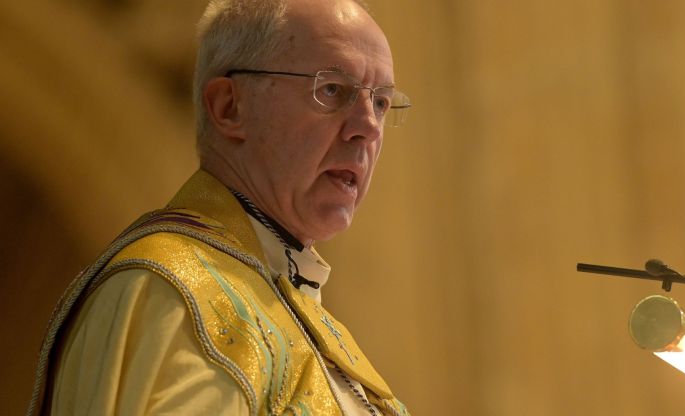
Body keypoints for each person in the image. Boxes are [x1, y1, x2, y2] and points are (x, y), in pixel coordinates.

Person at [27, 0, 411, 414]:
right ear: (230, 107)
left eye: (381, 103)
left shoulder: (315, 325)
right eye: (332, 90)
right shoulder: (175, 293)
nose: (368, 128)